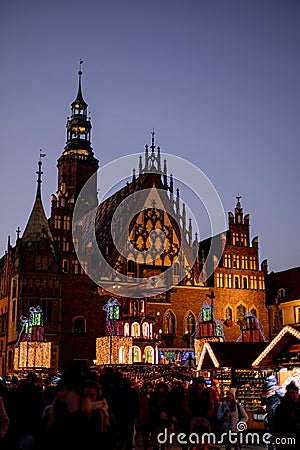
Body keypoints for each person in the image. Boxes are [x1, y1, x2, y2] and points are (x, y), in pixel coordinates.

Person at [274, 381, 300, 450]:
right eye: (292, 393)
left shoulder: (298, 406)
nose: (295, 395)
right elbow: (277, 423)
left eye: (297, 393)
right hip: (286, 438)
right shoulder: (282, 407)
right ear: (288, 393)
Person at [261, 375, 283, 449]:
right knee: (277, 430)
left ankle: (270, 446)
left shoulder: (264, 389)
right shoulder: (275, 388)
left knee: (269, 430)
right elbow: (282, 396)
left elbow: (263, 401)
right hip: (276, 411)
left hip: (269, 411)